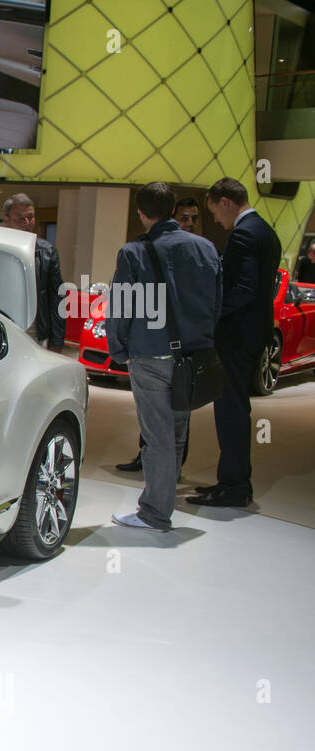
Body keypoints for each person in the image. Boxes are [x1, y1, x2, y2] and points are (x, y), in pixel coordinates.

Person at [107, 183, 221, 532]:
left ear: (141, 213)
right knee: (175, 433)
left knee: (157, 437)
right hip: (191, 357)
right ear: (172, 210)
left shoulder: (133, 252)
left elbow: (121, 306)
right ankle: (161, 505)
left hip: (151, 355)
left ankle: (154, 513)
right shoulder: (206, 248)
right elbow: (217, 303)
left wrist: (119, 350)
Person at [187, 177, 282, 508]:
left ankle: (234, 487)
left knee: (231, 412)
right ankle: (231, 482)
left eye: (215, 212)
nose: (216, 220)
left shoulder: (243, 234)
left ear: (225, 202)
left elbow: (244, 288)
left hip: (237, 336)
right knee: (236, 409)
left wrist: (212, 314)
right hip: (254, 333)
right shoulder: (266, 231)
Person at [4, 193, 65, 352]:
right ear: (7, 220)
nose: (26, 223)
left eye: (30, 218)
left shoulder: (46, 251)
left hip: (35, 331)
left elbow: (56, 298)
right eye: (20, 219)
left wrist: (57, 341)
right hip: (3, 328)